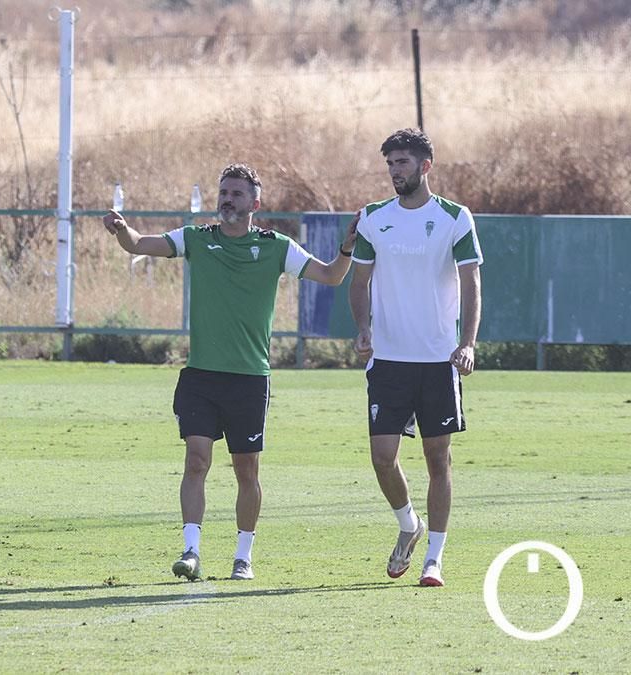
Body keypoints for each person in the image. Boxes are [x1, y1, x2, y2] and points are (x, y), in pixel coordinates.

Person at [103, 164, 357, 581]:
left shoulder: (276, 247)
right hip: (201, 376)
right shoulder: (196, 239)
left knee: (246, 471)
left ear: (255, 203)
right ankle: (191, 551)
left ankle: (243, 555)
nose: (227, 200)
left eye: (237, 194)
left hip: (250, 378)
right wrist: (121, 230)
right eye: (224, 192)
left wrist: (346, 249)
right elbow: (138, 245)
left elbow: (330, 276)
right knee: (196, 459)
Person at [349, 128, 482, 588]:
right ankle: (409, 525)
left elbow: (471, 284)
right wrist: (363, 329)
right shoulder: (372, 218)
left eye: (402, 162)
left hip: (438, 361)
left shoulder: (454, 218)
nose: (394, 170)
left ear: (426, 165)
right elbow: (358, 281)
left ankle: (434, 559)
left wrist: (466, 343)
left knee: (437, 456)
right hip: (387, 360)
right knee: (383, 457)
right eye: (390, 163)